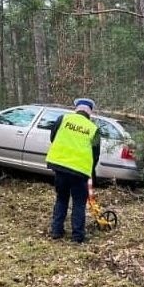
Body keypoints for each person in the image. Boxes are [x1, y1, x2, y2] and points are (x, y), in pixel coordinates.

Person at [46, 98, 100, 244]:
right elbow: (96, 154)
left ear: (76, 108)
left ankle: (56, 231)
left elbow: (53, 138)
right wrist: (91, 173)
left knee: (61, 198)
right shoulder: (93, 129)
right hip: (80, 172)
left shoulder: (63, 119)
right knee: (79, 203)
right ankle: (77, 236)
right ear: (90, 112)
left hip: (60, 167)